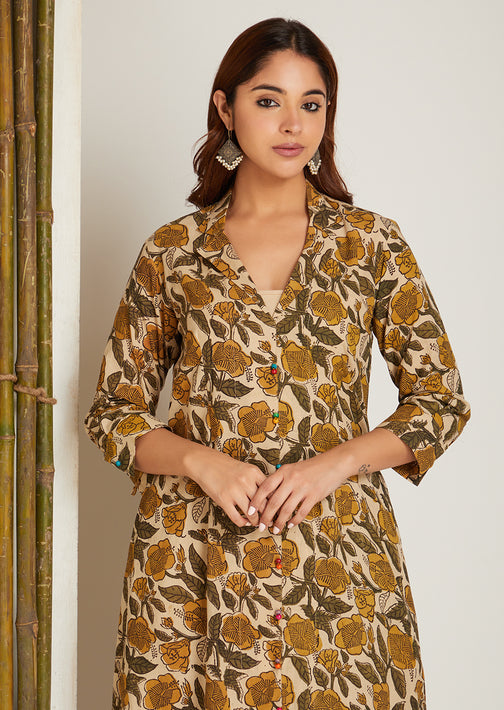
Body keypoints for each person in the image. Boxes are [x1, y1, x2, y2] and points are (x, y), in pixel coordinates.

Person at [85, 17, 470, 710]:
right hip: (191, 564)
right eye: (268, 100)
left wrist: (336, 464)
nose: (293, 123)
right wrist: (201, 462)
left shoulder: (370, 245)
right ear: (226, 108)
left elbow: (439, 401)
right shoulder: (172, 253)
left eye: (311, 103)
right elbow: (112, 414)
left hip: (336, 561)